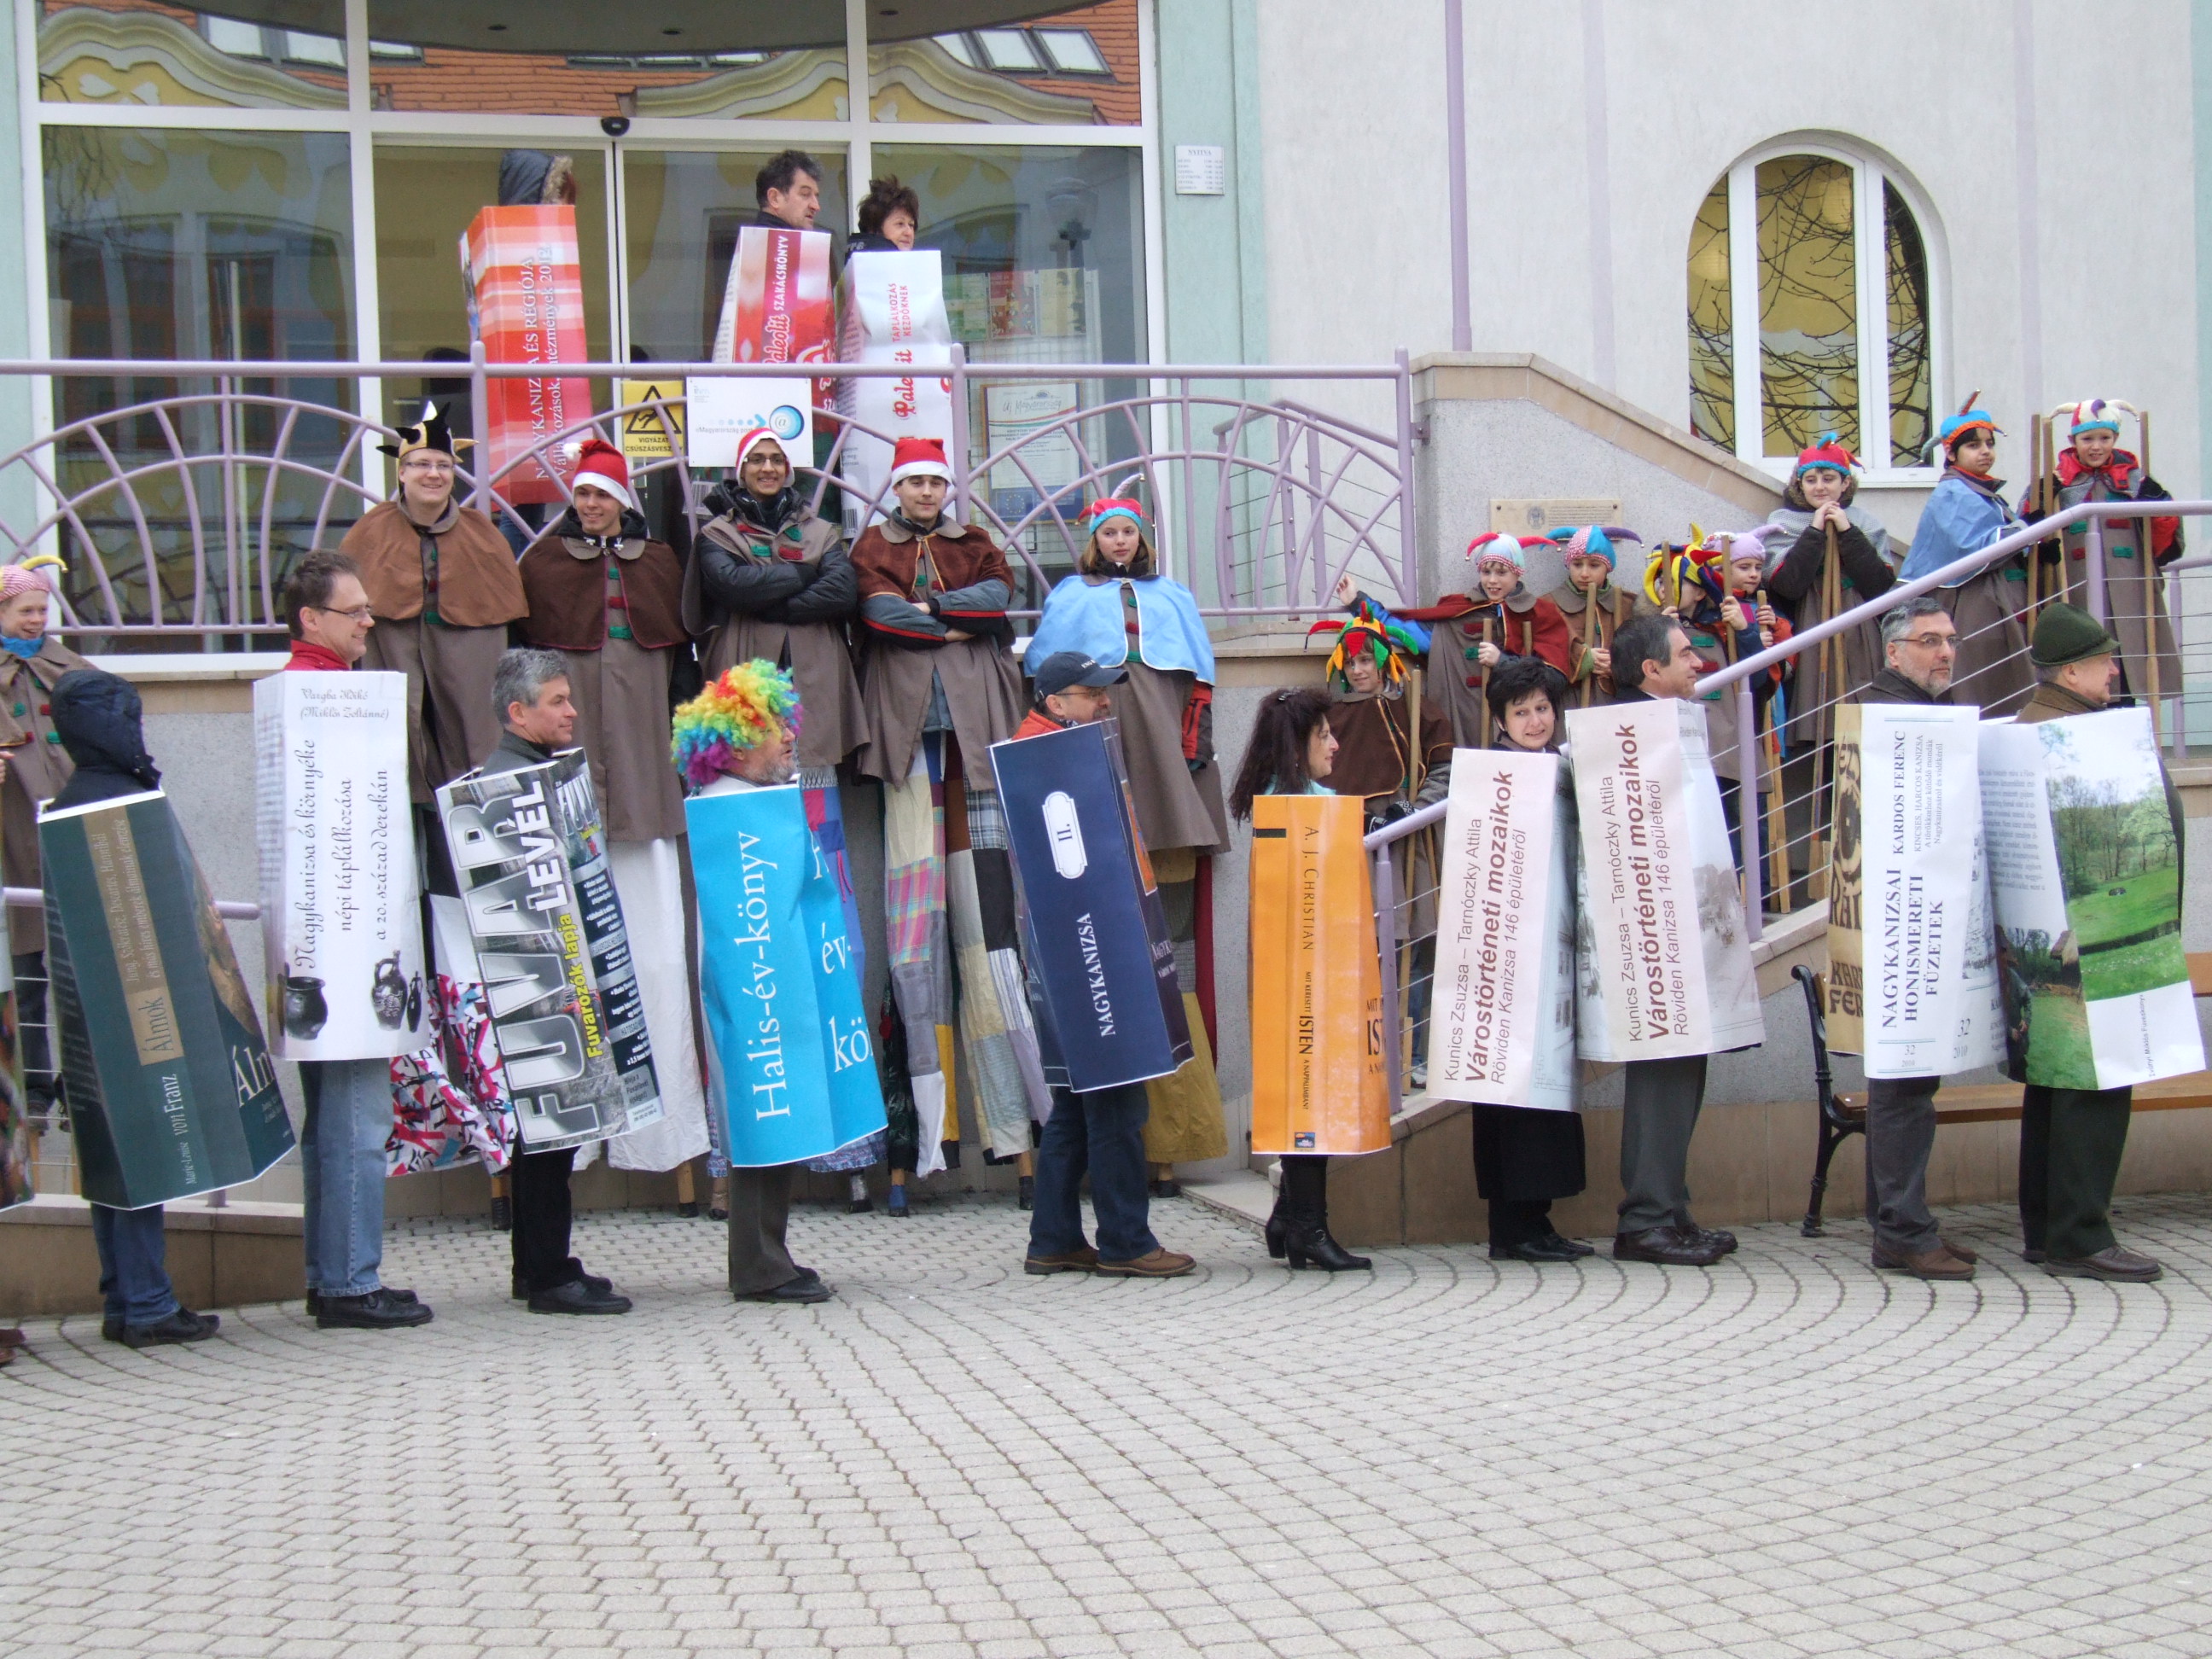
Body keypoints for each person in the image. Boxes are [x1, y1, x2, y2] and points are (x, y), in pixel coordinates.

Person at [852, 436, 1046, 1207]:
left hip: (977, 751)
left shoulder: (976, 542)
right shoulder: (873, 546)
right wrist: (959, 625)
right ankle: (922, 1137)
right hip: (909, 751)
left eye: (937, 481)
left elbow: (998, 600)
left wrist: (937, 611)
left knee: (991, 938)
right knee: (914, 944)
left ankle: (1017, 1133)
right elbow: (880, 617)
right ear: (898, 490)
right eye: (916, 483)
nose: (927, 493)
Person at [685, 426, 874, 1212]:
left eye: (776, 459)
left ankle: (842, 1145)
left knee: (823, 917)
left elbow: (842, 593)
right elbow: (730, 588)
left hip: (812, 740)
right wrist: (792, 580)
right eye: (755, 459)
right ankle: (743, 1157)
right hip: (743, 760)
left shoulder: (824, 528)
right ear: (739, 470)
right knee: (750, 938)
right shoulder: (714, 533)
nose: (767, 468)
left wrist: (772, 584)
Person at [515, 440, 712, 1194]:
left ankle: (665, 1141)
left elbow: (683, 670)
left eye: (603, 495)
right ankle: (572, 1146)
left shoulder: (659, 562)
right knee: (571, 957)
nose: (592, 505)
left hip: (646, 775)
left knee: (657, 956)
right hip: (572, 771)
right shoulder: (543, 564)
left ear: (624, 502)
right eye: (584, 495)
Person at [1027, 498, 1229, 1193]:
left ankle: (1172, 1142)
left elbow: (1199, 683)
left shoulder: (1172, 595)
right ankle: (1114, 1159)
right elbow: (1046, 683)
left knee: (1170, 959)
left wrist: (1195, 742)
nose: (1119, 541)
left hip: (1167, 765)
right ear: (1094, 541)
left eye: (1129, 532)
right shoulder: (1070, 597)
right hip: (1098, 779)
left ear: (1143, 541)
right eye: (1109, 532)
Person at [278, 552, 435, 1330]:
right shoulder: (326, 697)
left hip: (323, 952)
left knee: (334, 1126)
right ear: (312, 619)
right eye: (356, 611)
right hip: (346, 950)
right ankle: (348, 1284)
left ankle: (332, 1274)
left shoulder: (307, 689)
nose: (370, 622)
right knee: (357, 1123)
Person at [46, 669, 219, 1346]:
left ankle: (124, 1297)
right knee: (146, 1155)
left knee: (109, 1159)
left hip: (85, 1012)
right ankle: (146, 1303)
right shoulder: (128, 801)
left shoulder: (66, 803)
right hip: (141, 1008)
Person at [2010, 602, 2176, 1283]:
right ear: (2071, 672)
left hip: (2051, 935)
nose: (2115, 671)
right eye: (2104, 661)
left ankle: (2046, 1228)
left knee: (2055, 1084)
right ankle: (2080, 1234)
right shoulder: (2077, 737)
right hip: (2093, 933)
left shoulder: (2030, 725)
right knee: (2096, 1085)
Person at [1017, 651, 1197, 1278]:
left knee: (1073, 1104)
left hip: (1065, 957)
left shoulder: (1040, 751)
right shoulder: (1052, 757)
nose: (1104, 702)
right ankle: (1126, 1242)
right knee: (1118, 1101)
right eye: (1090, 693)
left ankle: (1054, 1239)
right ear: (1054, 702)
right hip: (1089, 955)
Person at [672, 662, 841, 1304]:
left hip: (768, 986)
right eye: (773, 728)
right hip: (751, 992)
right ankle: (758, 1266)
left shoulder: (748, 802)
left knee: (775, 1116)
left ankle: (771, 1255)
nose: (790, 737)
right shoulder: (726, 809)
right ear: (736, 744)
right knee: (761, 1118)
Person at [478, 648, 636, 1315]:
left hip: (545, 977)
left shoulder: (536, 771)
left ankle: (539, 1265)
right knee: (547, 1132)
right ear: (518, 712)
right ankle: (547, 1275)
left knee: (551, 1135)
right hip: (536, 983)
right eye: (558, 702)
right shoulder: (507, 782)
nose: (572, 712)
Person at [1852, 596, 1980, 1281]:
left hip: (1921, 919)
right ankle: (1903, 1230)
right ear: (1895, 652)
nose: (1945, 653)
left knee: (1908, 1083)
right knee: (1903, 1084)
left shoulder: (1931, 710)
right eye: (1930, 641)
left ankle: (1896, 1222)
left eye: (1950, 640)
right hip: (1899, 926)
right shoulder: (1885, 716)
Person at [1604, 613, 1737, 1268]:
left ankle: (1671, 1212)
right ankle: (1647, 1221)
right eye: (1686, 655)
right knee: (1663, 1074)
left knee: (1684, 1072)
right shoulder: (1626, 732)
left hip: (1684, 930)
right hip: (1655, 942)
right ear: (1650, 669)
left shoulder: (1669, 723)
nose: (1699, 663)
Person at [1228, 686, 1371, 1273]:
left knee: (1302, 1095)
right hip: (1305, 974)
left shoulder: (1283, 802)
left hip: (1291, 974)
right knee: (1312, 1099)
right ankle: (1309, 1228)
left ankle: (1290, 1217)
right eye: (1324, 736)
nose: (1334, 745)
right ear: (1297, 747)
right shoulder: (1298, 810)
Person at [342, 403, 529, 806]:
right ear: (402, 473)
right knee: (397, 740)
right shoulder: (370, 530)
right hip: (392, 648)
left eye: (443, 466)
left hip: (467, 653)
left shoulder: (481, 533)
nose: (434, 474)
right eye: (422, 464)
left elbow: (509, 611)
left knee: (474, 741)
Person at [1473, 655, 1592, 1261]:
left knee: (1545, 1092)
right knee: (1511, 1093)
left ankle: (1534, 1221)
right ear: (1500, 720)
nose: (1536, 721)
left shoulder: (1564, 766)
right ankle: (1513, 1227)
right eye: (1521, 712)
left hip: (1555, 953)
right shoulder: (1493, 777)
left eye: (1543, 708)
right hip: (1506, 957)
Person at [1313, 591, 1452, 1086]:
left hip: (1412, 842)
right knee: (1370, 949)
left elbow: (1444, 769)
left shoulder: (1413, 707)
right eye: (1349, 662)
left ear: (1382, 662)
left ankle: (1417, 1053)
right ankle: (1374, 1058)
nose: (1357, 670)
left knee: (1419, 944)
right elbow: (1315, 782)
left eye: (1365, 661)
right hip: (1358, 846)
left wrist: (1412, 811)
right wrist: (1356, 821)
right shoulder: (1327, 721)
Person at [2021, 399, 2183, 713]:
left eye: (2105, 438)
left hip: (2130, 591)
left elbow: (2165, 543)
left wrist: (2161, 508)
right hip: (2075, 589)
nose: (2096, 447)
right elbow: (2025, 534)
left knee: (2130, 662)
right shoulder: (2055, 482)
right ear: (2073, 441)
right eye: (2088, 439)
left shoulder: (2134, 480)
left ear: (2115, 439)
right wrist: (2039, 518)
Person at [0, 555, 87, 1128]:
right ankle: (34, 1084)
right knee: (29, 965)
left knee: (80, 963)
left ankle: (79, 1083)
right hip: (14, 831)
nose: (36, 620)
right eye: (25, 611)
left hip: (73, 822)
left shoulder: (69, 666)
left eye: (42, 610)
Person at [1901, 400, 2034, 717]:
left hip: (1998, 600)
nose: (1985, 451)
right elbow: (1973, 548)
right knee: (1982, 686)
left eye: (1989, 444)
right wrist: (2025, 530)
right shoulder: (1953, 493)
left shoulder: (1980, 492)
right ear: (1951, 453)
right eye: (1974, 445)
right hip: (1975, 604)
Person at [1764, 434, 1898, 740]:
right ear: (1799, 485)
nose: (1820, 487)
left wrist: (1847, 531)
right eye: (1810, 480)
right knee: (1817, 703)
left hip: (1858, 625)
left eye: (1828, 479)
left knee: (1861, 707)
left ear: (1845, 482)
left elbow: (1880, 584)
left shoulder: (1864, 523)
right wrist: (1815, 531)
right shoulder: (1783, 522)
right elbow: (1786, 584)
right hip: (1810, 620)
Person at [1392, 534, 1572, 748]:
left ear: (1517, 572)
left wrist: (1503, 662)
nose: (1492, 580)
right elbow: (1410, 632)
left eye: (1501, 572)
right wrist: (1364, 606)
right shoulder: (1459, 607)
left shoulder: (1540, 613)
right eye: (1486, 572)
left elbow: (1554, 678)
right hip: (1468, 714)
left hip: (1521, 727)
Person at [1540, 526, 1647, 706]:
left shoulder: (1628, 604)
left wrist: (1620, 664)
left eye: (1594, 565)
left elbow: (1646, 652)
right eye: (1577, 564)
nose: (1584, 573)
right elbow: (1543, 650)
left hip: (1617, 702)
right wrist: (1582, 658)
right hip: (1570, 700)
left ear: (1608, 567)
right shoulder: (1547, 605)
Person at [756, 148, 824, 233]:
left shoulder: (754, 237)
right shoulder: (763, 240)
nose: (816, 206)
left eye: (816, 197)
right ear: (774, 198)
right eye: (805, 194)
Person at [853, 176, 920, 253]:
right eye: (900, 224)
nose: (909, 233)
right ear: (874, 230)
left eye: (911, 225)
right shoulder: (860, 260)